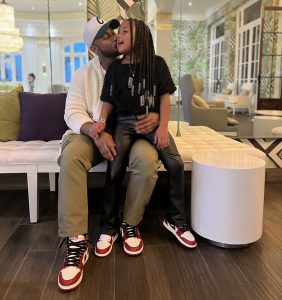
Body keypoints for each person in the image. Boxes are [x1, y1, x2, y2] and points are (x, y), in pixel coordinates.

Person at [57, 17, 160, 291]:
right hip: (93, 137)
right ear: (93, 47)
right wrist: (95, 130)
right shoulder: (82, 75)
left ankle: (129, 223)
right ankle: (77, 242)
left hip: (130, 134)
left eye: (115, 30)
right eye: (105, 35)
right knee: (71, 155)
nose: (115, 36)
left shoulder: (137, 68)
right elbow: (72, 112)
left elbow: (154, 100)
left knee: (148, 159)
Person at [93, 18, 197, 251]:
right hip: (122, 124)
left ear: (140, 37)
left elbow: (164, 98)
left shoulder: (157, 64)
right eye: (118, 32)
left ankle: (176, 220)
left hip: (151, 125)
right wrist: (101, 121)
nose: (118, 35)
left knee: (176, 164)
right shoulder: (115, 68)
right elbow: (107, 100)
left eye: (125, 32)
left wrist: (162, 127)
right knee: (114, 170)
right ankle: (109, 227)